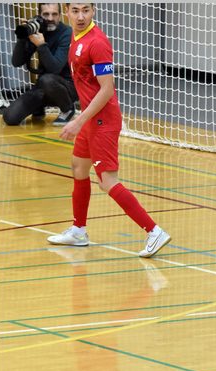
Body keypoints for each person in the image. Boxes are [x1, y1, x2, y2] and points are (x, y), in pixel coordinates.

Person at [47, 3, 171, 258]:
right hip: (90, 119)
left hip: (103, 121)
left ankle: (154, 231)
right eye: (75, 10)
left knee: (107, 181)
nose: (81, 16)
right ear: (67, 11)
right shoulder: (75, 37)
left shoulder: (97, 43)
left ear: (94, 11)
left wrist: (78, 121)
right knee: (78, 167)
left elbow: (106, 90)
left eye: (86, 10)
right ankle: (79, 231)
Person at [3, 3, 78, 126]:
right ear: (39, 15)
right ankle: (39, 107)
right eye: (46, 14)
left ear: (60, 16)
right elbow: (16, 62)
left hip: (67, 87)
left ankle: (68, 109)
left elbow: (55, 68)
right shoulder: (37, 30)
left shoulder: (67, 33)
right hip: (43, 86)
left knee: (46, 79)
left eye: (54, 14)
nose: (50, 18)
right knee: (10, 117)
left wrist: (41, 45)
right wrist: (23, 37)